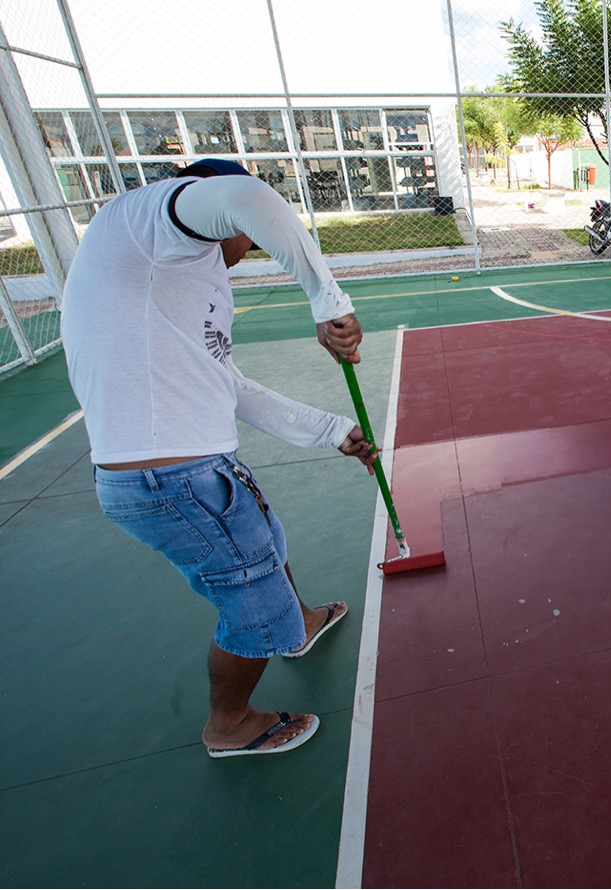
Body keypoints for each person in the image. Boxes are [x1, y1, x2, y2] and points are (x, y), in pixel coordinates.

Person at [60, 158, 378, 759]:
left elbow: (224, 384)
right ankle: (229, 725)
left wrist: (331, 430)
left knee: (264, 542)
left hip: (194, 473)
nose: (249, 246)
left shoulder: (174, 272)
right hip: (168, 480)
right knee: (252, 601)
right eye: (245, 237)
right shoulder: (156, 217)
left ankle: (301, 624)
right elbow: (247, 196)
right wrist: (326, 300)